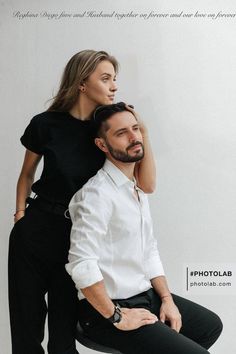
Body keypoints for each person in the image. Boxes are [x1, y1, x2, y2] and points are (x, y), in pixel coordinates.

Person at [8, 51, 156, 354]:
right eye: (105, 78)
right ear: (82, 83)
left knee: (63, 334)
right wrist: (21, 214)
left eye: (115, 79)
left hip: (77, 238)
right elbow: (26, 174)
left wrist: (143, 128)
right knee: (26, 327)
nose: (113, 85)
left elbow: (146, 184)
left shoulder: (105, 131)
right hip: (34, 231)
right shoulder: (45, 123)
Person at [66, 102, 223, 354]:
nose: (133, 137)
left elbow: (149, 250)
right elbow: (81, 264)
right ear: (102, 145)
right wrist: (117, 316)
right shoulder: (97, 195)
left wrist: (167, 299)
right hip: (106, 312)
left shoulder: (135, 190)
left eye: (136, 129)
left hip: (144, 296)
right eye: (121, 133)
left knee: (209, 326)